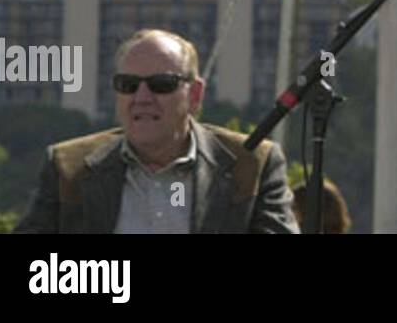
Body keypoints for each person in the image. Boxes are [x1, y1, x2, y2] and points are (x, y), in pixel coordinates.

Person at [15, 29, 298, 234]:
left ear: (195, 94)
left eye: (161, 84)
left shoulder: (252, 165)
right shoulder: (68, 166)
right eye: (128, 84)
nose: (142, 97)